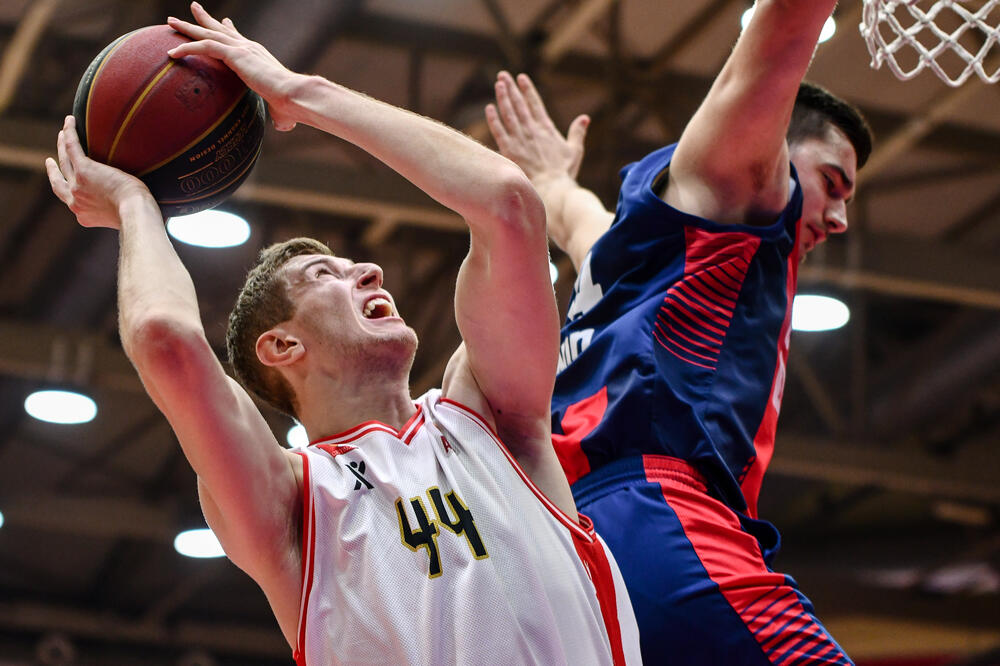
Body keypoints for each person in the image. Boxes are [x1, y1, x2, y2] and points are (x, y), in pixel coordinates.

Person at [46, 3, 642, 664]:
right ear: (282, 347)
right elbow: (166, 340)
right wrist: (134, 205)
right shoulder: (290, 505)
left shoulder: (493, 418)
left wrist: (299, 92)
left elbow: (508, 205)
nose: (370, 267)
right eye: (327, 273)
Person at [485, 2, 873, 664]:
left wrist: (551, 178)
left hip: (572, 542)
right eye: (832, 184)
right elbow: (776, 43)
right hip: (659, 518)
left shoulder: (627, 247)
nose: (837, 217)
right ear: (775, 143)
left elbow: (574, 217)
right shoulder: (742, 183)